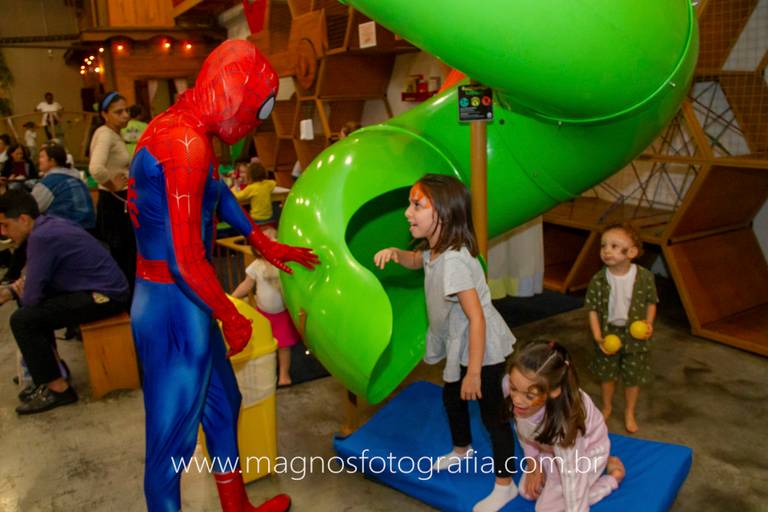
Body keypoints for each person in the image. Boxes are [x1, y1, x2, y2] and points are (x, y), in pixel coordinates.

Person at [129, 39, 318, 512]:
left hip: (185, 300)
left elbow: (215, 192)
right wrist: (230, 316)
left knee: (222, 404)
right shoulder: (186, 143)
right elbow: (184, 258)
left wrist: (260, 240)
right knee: (170, 445)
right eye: (257, 110)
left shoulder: (188, 129)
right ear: (234, 93)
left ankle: (237, 507)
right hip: (172, 302)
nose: (254, 124)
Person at [373, 173, 517, 512]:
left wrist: (475, 372)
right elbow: (418, 261)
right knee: (452, 398)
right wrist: (395, 253)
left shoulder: (454, 261)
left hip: (482, 347)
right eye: (410, 204)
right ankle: (462, 449)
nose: (408, 212)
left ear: (444, 214)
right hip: (460, 341)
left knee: (493, 417)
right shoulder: (435, 248)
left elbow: (477, 318)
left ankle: (505, 484)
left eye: (417, 205)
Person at [0, 190, 129, 415]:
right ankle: (53, 369)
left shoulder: (41, 237)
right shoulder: (47, 225)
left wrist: (19, 290)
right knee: (29, 310)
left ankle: (58, 389)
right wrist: (15, 290)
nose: (3, 232)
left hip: (106, 296)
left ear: (23, 219)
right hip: (102, 288)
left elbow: (31, 296)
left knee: (23, 319)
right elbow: (35, 282)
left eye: (5, 225)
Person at [505, 341, 626, 511]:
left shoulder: (564, 427)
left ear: (553, 392)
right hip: (549, 450)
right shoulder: (520, 389)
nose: (517, 400)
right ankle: (552, 469)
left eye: (529, 396)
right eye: (513, 388)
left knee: (546, 509)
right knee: (526, 492)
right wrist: (533, 464)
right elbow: (524, 431)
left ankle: (612, 478)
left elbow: (573, 476)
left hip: (584, 455)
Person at [585, 223, 657, 434]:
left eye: (615, 246)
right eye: (604, 245)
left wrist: (649, 323)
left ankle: (629, 411)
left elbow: (651, 302)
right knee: (607, 375)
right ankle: (607, 406)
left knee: (633, 377)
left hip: (635, 335)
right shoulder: (598, 279)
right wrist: (598, 336)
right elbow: (592, 309)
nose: (607, 251)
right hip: (609, 334)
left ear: (631, 252)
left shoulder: (644, 277)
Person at [232, 227, 300, 386]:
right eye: (262, 244)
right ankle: (268, 371)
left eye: (272, 242)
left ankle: (284, 374)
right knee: (266, 344)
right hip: (264, 314)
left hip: (282, 314)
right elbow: (247, 284)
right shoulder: (256, 266)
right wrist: (233, 297)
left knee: (284, 347)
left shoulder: (283, 264)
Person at [89, 91, 135, 294]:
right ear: (104, 114)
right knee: (124, 257)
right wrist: (112, 185)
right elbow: (96, 168)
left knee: (126, 256)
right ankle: (126, 301)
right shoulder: (106, 134)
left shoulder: (113, 134)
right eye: (118, 112)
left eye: (126, 110)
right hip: (115, 203)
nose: (125, 115)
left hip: (118, 201)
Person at [31, 143, 95, 230]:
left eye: (42, 157)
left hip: (65, 229)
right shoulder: (77, 179)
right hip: (88, 228)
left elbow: (32, 209)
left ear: (52, 161)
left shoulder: (49, 182)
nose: (39, 160)